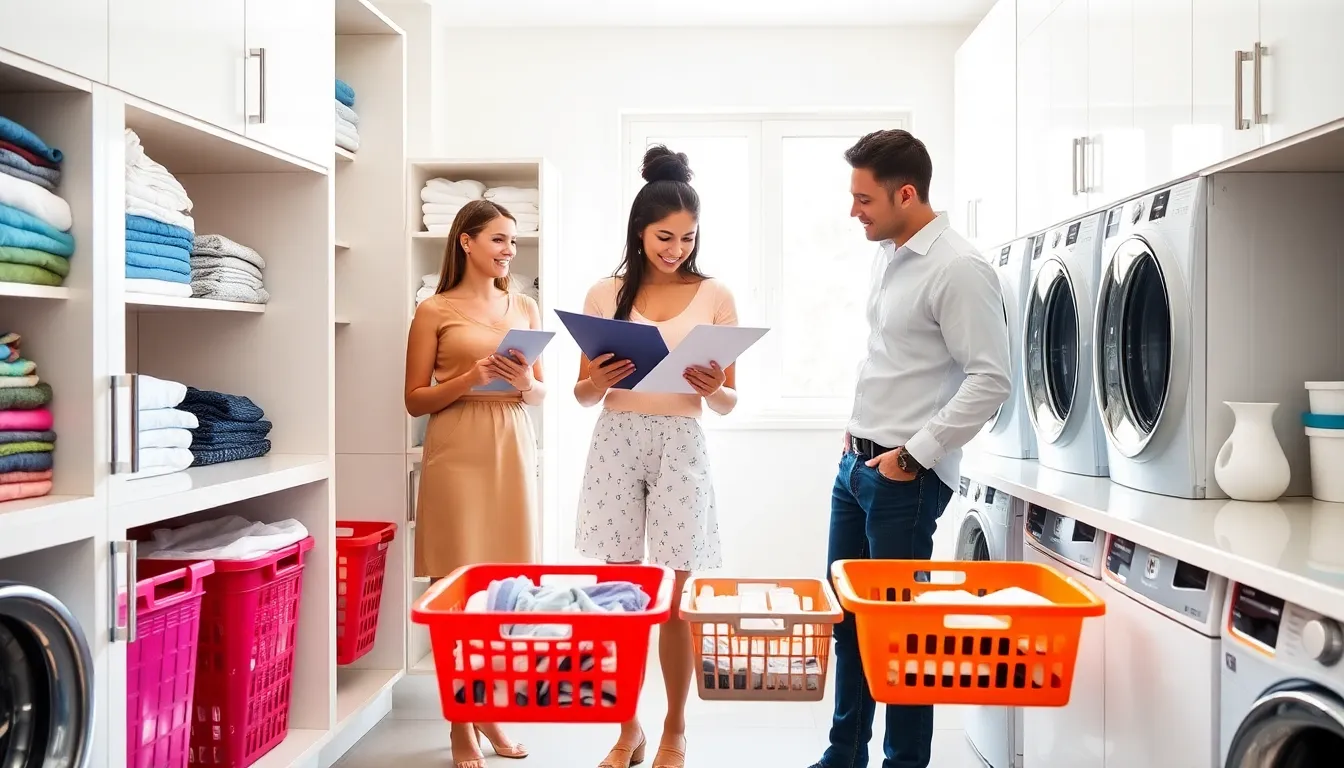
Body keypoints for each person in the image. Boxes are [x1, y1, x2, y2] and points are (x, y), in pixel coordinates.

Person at [809, 130, 1011, 768]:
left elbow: (991, 379)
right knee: (849, 621)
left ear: (906, 193)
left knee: (899, 635)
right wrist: (856, 429)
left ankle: (903, 763)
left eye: (863, 198)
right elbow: (892, 358)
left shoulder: (958, 267)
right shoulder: (891, 253)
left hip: (905, 478)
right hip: (859, 465)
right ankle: (845, 754)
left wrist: (913, 455)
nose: (853, 212)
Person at [573, 145, 740, 768]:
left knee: (672, 600)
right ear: (639, 232)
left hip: (682, 444)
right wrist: (602, 376)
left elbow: (727, 404)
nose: (676, 250)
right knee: (620, 595)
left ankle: (674, 730)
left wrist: (712, 386)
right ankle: (627, 729)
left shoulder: (715, 295)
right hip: (617, 437)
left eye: (687, 239)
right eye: (665, 237)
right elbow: (582, 393)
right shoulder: (604, 291)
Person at [403, 199, 544, 768]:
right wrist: (470, 376)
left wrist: (526, 380)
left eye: (514, 242)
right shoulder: (432, 310)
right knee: (453, 594)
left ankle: (486, 706)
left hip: (511, 443)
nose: (510, 251)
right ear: (465, 241)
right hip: (456, 446)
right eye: (499, 240)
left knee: (502, 594)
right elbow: (414, 398)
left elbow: (542, 393)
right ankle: (462, 724)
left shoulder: (526, 306)